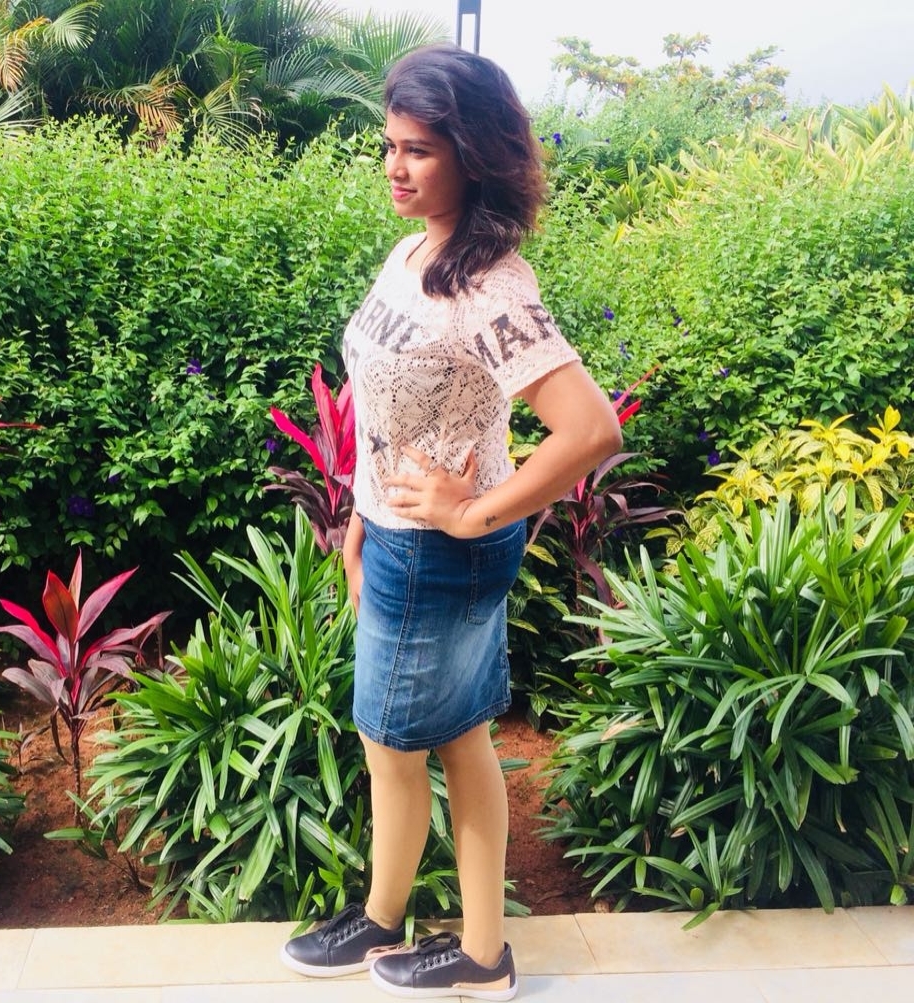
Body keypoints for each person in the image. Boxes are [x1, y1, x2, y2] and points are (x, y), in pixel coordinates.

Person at [279, 44, 622, 1000]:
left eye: (419, 150)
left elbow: (589, 428)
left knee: (394, 745)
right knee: (456, 738)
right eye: (389, 145)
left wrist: (472, 511)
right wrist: (361, 512)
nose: (395, 167)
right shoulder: (414, 250)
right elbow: (387, 407)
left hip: (439, 550)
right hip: (401, 535)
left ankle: (457, 947)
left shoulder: (488, 284)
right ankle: (431, 932)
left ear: (472, 156)